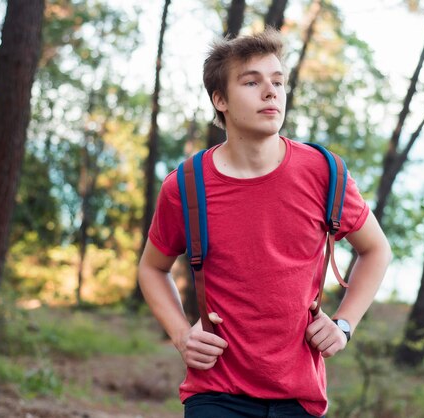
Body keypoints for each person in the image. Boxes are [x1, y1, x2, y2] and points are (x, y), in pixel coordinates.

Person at [138, 29, 391, 418]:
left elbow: (376, 250)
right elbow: (152, 268)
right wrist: (181, 334)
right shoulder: (187, 186)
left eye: (277, 81)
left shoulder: (323, 173)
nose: (270, 92)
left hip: (300, 396)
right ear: (219, 100)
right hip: (216, 392)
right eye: (252, 81)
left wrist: (344, 323)